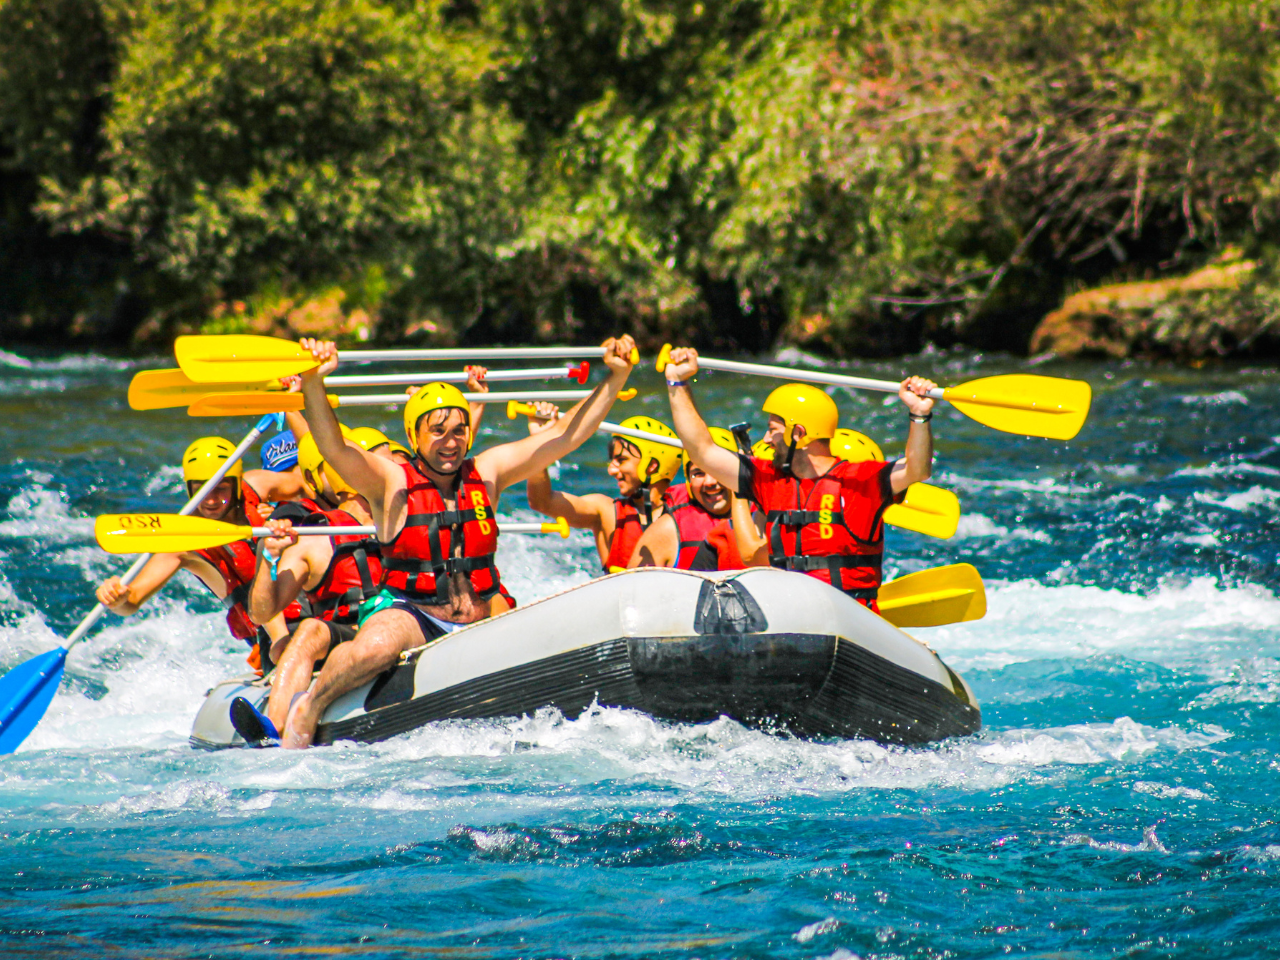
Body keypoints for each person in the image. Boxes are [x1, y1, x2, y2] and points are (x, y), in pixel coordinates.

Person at [278, 335, 639, 748]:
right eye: (438, 432)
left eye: (458, 430)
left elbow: (564, 437)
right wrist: (313, 382)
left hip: (481, 610)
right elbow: (333, 446)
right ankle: (310, 703)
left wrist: (617, 376)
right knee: (373, 649)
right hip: (414, 614)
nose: (450, 442)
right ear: (414, 436)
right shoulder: (389, 481)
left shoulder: (487, 472)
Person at [661, 346, 937, 611]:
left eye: (773, 430)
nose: (767, 439)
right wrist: (677, 383)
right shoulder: (768, 480)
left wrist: (919, 414)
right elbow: (701, 450)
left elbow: (917, 469)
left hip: (850, 618)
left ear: (799, 433)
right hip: (790, 615)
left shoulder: (859, 480)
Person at [233, 428, 383, 744]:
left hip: (402, 623)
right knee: (311, 631)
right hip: (347, 633)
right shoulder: (308, 533)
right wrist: (270, 559)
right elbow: (260, 613)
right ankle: (273, 729)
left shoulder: (399, 509)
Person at [93, 437, 289, 664]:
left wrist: (281, 513)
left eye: (221, 489)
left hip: (307, 603)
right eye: (201, 490)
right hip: (269, 637)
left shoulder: (258, 486)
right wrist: (119, 599)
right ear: (188, 488)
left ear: (237, 484)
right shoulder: (183, 544)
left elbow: (315, 488)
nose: (211, 500)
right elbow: (132, 601)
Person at [525, 407, 681, 573]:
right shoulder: (606, 512)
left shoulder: (687, 514)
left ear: (651, 466)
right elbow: (542, 501)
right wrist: (539, 440)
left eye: (621, 460)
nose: (611, 471)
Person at [628, 427, 740, 570]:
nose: (709, 482)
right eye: (698, 473)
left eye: (717, 469)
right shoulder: (667, 529)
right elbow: (632, 589)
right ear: (688, 481)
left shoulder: (762, 518)